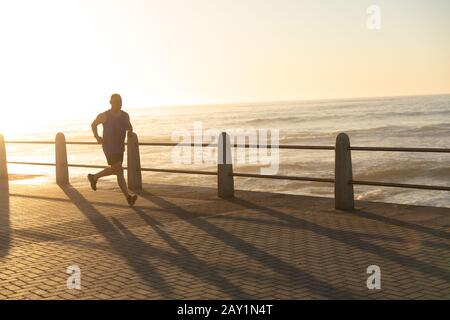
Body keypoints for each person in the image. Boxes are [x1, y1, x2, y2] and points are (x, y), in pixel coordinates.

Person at [88, 94, 138, 206]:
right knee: (119, 170)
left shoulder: (125, 116)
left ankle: (94, 177)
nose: (119, 104)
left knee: (115, 170)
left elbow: (129, 126)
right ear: (111, 103)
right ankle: (128, 197)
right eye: (116, 102)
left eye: (120, 102)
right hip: (109, 147)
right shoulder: (104, 115)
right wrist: (97, 137)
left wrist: (130, 132)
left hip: (120, 148)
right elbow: (93, 124)